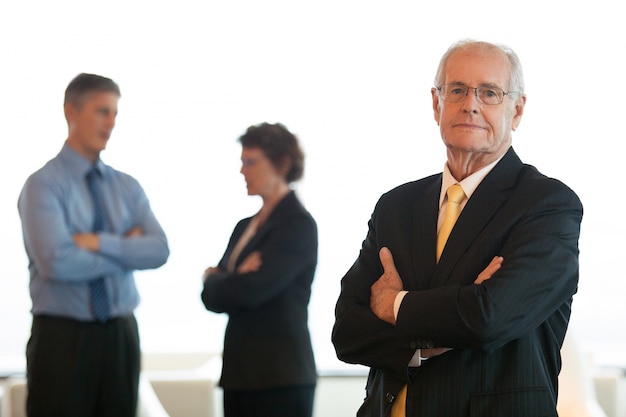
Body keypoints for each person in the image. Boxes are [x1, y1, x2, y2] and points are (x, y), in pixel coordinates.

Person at [332, 40, 583, 417]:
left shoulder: (547, 205)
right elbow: (347, 331)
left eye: (489, 92)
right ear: (437, 104)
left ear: (516, 110)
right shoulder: (396, 206)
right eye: (458, 90)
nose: (471, 104)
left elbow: (488, 318)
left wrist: (394, 305)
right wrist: (433, 339)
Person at [17, 73, 170, 417]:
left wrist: (97, 242)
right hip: (62, 338)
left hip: (120, 336)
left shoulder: (127, 187)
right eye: (103, 111)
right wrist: (127, 253)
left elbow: (159, 250)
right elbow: (57, 263)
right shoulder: (42, 186)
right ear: (71, 111)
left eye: (115, 113)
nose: (111, 123)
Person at [201, 122, 318, 417]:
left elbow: (251, 291)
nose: (243, 170)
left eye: (250, 162)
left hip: (279, 377)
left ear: (282, 163)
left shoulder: (298, 225)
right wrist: (225, 279)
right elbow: (210, 296)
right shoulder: (245, 227)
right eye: (242, 162)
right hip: (240, 375)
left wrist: (223, 277)